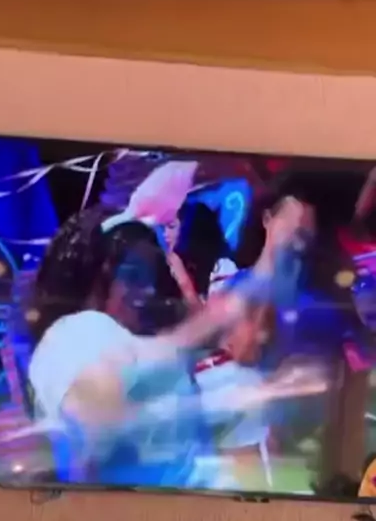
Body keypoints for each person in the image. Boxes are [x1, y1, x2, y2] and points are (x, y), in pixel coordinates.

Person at [27, 203, 297, 488]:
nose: (147, 290)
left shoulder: (127, 340)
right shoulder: (78, 331)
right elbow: (96, 420)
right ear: (93, 276)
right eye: (133, 275)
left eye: (150, 277)